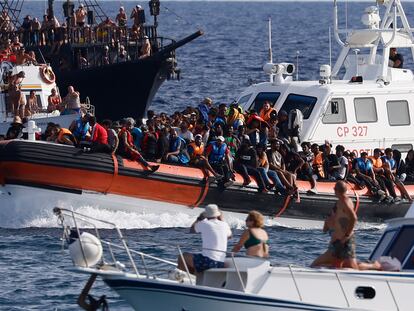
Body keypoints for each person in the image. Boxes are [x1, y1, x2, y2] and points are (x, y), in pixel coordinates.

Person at [312, 181, 358, 269]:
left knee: (351, 267)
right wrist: (326, 226)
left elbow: (354, 218)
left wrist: (346, 235)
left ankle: (375, 266)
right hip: (337, 242)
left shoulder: (345, 201)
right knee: (339, 266)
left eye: (334, 188)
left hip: (344, 241)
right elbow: (336, 220)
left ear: (337, 190)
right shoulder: (339, 202)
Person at [177, 204, 232, 275]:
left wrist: (199, 218)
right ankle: (194, 278)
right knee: (198, 258)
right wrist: (221, 219)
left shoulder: (205, 223)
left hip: (208, 262)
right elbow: (229, 236)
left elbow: (192, 230)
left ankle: (183, 279)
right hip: (220, 263)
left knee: (183, 257)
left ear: (206, 215)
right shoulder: (225, 224)